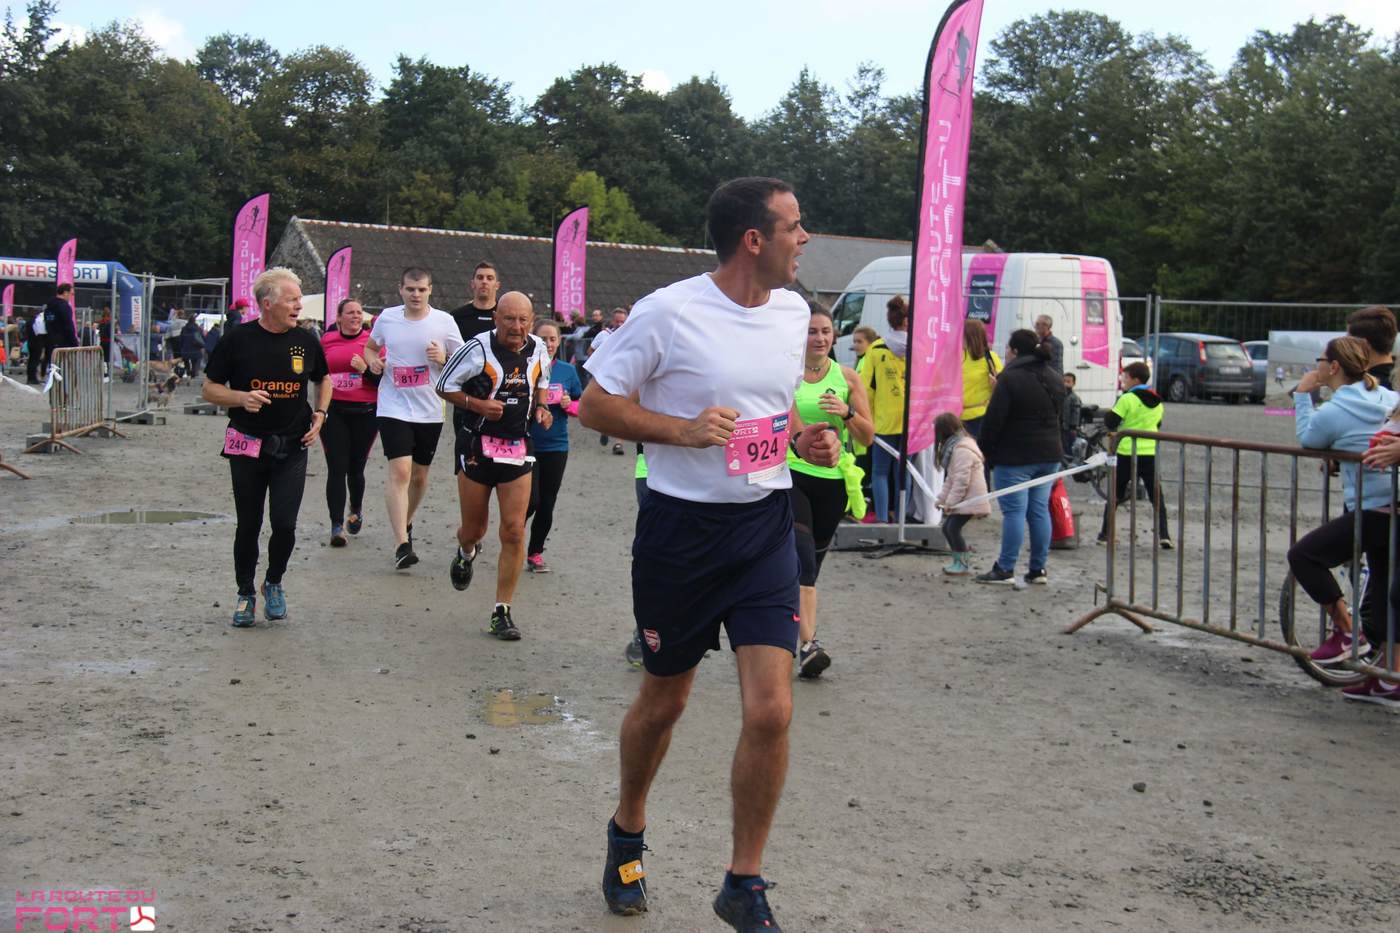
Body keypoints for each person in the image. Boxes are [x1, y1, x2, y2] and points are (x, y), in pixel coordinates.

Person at [578, 176, 840, 930]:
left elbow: (768, 416)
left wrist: (801, 440)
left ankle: (743, 882)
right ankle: (628, 827)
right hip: (681, 536)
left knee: (772, 709)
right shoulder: (670, 311)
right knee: (666, 702)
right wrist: (680, 430)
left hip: (764, 527)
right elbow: (594, 403)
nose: (805, 238)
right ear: (754, 239)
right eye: (794, 226)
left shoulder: (792, 312)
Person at [202, 268, 330, 626]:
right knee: (249, 523)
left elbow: (323, 379)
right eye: (292, 300)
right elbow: (209, 388)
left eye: (299, 299)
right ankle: (245, 593)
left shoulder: (305, 340)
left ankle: (273, 582)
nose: (299, 306)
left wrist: (321, 414)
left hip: (292, 445)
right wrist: (241, 397)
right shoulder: (237, 339)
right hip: (247, 443)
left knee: (285, 524)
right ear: (268, 303)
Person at [1289, 337, 1400, 704]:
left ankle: (1347, 632)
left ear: (1334, 367)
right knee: (1385, 591)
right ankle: (1386, 678)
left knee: (1305, 555)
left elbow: (1309, 439)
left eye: (1320, 360)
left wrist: (1302, 395)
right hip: (1391, 502)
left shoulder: (1337, 408)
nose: (1317, 365)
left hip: (1373, 506)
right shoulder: (1387, 397)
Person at [436, 291, 552, 640]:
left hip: (517, 446)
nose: (516, 326)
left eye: (523, 320)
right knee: (474, 529)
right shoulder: (476, 349)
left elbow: (541, 381)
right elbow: (443, 385)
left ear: (531, 321)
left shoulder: (539, 348)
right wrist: (477, 405)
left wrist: (542, 407)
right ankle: (465, 551)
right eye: (509, 319)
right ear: (496, 318)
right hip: (477, 445)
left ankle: (502, 611)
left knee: (514, 530)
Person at [788, 306, 873, 679]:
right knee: (803, 559)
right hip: (792, 475)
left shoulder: (848, 377)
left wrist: (847, 412)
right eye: (812, 331)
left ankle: (797, 634)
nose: (820, 338)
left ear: (834, 335)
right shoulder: (787, 374)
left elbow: (868, 436)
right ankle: (810, 645)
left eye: (825, 331)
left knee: (811, 569)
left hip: (834, 483)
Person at [363, 268, 464, 570]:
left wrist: (442, 359)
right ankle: (401, 545)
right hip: (393, 406)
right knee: (400, 472)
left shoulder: (444, 322)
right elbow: (370, 348)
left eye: (421, 289)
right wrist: (374, 362)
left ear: (430, 290)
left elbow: (463, 364)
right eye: (410, 289)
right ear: (401, 290)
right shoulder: (388, 318)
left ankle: (404, 523)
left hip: (429, 409)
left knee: (419, 476)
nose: (415, 295)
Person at [974, 328, 1066, 585]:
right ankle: (1038, 569)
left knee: (1014, 512)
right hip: (1050, 453)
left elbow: (993, 421)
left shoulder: (1010, 378)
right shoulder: (1054, 376)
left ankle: (1006, 567)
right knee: (1038, 511)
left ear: (1014, 351)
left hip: (1015, 456)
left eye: (1007, 348)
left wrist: (985, 450)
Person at [320, 299, 381, 547]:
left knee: (356, 468)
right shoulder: (326, 340)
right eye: (350, 313)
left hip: (366, 411)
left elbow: (384, 382)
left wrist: (365, 369)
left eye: (358, 313)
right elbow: (317, 375)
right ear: (339, 317)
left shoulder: (373, 343)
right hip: (334, 411)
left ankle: (355, 509)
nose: (356, 316)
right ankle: (336, 526)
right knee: (336, 467)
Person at [524, 320, 583, 573]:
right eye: (543, 338)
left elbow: (580, 404)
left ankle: (535, 552)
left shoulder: (567, 372)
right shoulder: (524, 366)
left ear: (559, 342)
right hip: (526, 443)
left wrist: (569, 403)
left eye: (552, 339)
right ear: (533, 339)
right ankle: (512, 537)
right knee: (530, 501)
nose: (548, 344)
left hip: (556, 445)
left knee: (547, 502)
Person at [1096, 361, 1172, 548]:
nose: (1123, 381)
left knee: (1115, 494)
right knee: (1156, 495)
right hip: (1148, 451)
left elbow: (1111, 421)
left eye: (1126, 377)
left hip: (1126, 451)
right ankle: (1164, 535)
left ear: (1135, 380)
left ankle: (1105, 534)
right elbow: (1158, 424)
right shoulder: (1158, 401)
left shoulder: (1127, 398)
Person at [861, 297, 909, 522]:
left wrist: (867, 419)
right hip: (912, 422)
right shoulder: (921, 348)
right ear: (907, 321)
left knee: (880, 472)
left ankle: (881, 520)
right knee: (904, 472)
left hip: (884, 420)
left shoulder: (876, 349)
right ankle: (900, 519)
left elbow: (866, 389)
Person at [933, 412, 990, 575]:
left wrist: (950, 503)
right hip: (965, 498)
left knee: (952, 529)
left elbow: (961, 481)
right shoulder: (957, 447)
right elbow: (951, 478)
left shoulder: (961, 450)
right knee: (948, 528)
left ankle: (962, 564)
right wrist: (941, 499)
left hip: (970, 499)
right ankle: (958, 561)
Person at [588, 308, 630, 454]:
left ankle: (618, 444)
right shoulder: (604, 335)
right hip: (605, 377)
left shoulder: (630, 335)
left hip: (623, 377)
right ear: (612, 321)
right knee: (606, 408)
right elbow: (590, 350)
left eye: (622, 321)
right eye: (617, 321)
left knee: (622, 410)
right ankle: (604, 429)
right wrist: (599, 364)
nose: (620, 324)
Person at [960, 318, 1002, 440]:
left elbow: (1003, 385)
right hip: (955, 417)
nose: (960, 338)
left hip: (979, 417)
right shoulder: (956, 355)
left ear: (971, 336)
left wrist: (995, 384)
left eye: (963, 335)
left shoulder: (990, 358)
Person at [1346, 305, 1396, 386]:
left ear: (1363, 345)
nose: (1345, 346)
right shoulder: (1394, 377)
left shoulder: (1365, 387)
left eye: (1348, 341)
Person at [451, 261, 500, 343]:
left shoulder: (505, 317)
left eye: (489, 278)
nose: (484, 281)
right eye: (480, 277)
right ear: (472, 284)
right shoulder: (456, 317)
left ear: (497, 285)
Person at [42, 282, 78, 368]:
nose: (71, 296)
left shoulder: (49, 306)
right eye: (71, 294)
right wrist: (74, 342)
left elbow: (47, 321)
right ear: (65, 292)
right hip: (63, 341)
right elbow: (68, 325)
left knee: (52, 366)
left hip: (50, 339)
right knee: (63, 367)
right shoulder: (64, 306)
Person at [1061, 372, 1082, 461]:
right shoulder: (1061, 395)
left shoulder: (1074, 397)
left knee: (1068, 446)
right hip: (1062, 426)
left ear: (1073, 383)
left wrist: (1073, 426)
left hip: (1069, 428)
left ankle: (1070, 462)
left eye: (1068, 381)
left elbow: (1076, 413)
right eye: (1064, 381)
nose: (1065, 383)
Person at [179, 313, 204, 377]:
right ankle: (194, 371)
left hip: (186, 350)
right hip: (196, 349)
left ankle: (188, 371)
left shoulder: (184, 329)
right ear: (194, 321)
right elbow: (202, 339)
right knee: (196, 360)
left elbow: (181, 339)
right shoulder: (198, 329)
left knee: (186, 360)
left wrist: (181, 348)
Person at [25, 309, 46, 384]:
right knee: (35, 361)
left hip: (30, 342)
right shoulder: (37, 322)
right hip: (37, 343)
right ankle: (33, 378)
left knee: (31, 360)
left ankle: (30, 378)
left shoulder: (29, 322)